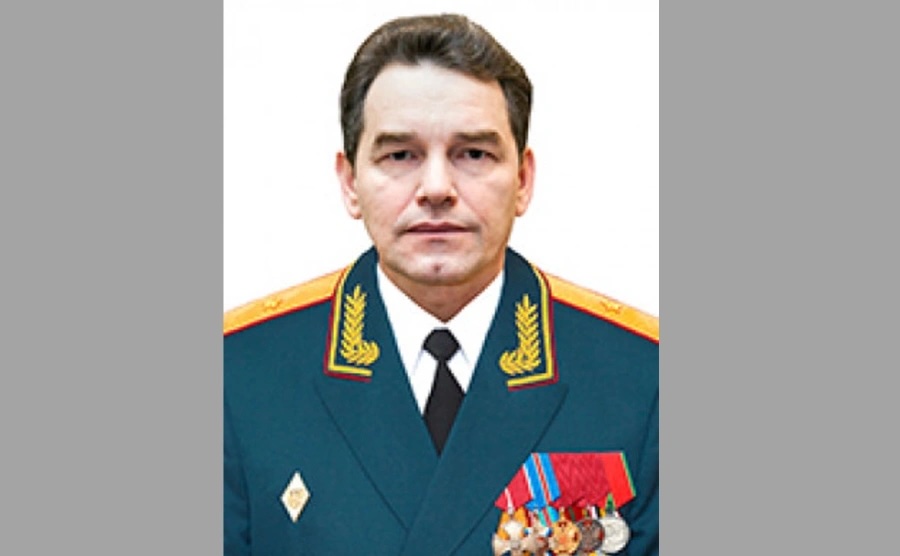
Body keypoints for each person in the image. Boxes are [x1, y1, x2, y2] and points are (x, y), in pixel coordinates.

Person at [224, 13, 658, 556]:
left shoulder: (642, 377)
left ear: (523, 180)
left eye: (473, 154)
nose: (435, 188)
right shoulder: (239, 375)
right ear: (350, 181)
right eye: (400, 155)